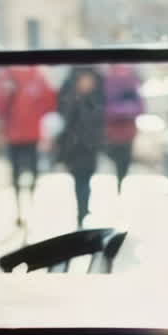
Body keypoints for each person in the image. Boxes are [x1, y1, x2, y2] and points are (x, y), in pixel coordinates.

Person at [0, 65, 57, 225]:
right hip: (19, 134)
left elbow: (49, 102)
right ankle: (22, 209)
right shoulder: (15, 75)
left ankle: (26, 208)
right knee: (22, 173)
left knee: (26, 173)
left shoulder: (34, 75)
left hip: (25, 133)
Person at [57, 66, 106, 228]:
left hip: (90, 147)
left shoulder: (98, 98)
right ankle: (82, 211)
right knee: (79, 181)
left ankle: (84, 210)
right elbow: (65, 122)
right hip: (75, 148)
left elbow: (100, 121)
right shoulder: (70, 98)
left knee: (87, 180)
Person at [102, 64, 145, 194]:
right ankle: (119, 184)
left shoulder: (109, 81)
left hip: (119, 131)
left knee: (120, 161)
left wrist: (116, 112)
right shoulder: (127, 82)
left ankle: (119, 184)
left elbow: (139, 106)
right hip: (118, 132)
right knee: (121, 161)